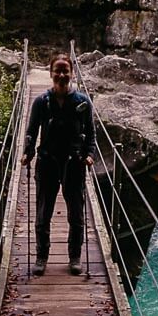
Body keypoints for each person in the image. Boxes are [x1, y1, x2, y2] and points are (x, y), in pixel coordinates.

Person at [21, 53, 96, 276]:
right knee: (43, 213)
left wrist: (89, 154)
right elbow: (31, 131)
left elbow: (91, 132)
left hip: (74, 163)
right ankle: (41, 257)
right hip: (47, 161)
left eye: (66, 71)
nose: (62, 75)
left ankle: (75, 257)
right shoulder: (41, 102)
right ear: (51, 73)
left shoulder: (83, 101)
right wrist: (27, 153)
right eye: (58, 71)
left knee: (76, 214)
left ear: (72, 74)